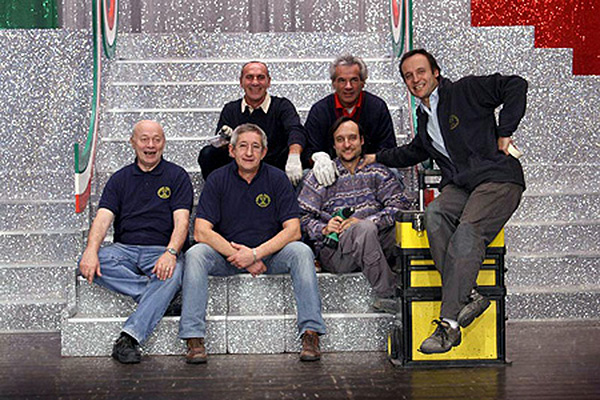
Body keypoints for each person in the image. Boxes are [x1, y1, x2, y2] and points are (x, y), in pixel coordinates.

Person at [361, 49, 527, 354]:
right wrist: (376, 157)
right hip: (462, 185)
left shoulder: (466, 90)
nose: (415, 79)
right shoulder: (424, 117)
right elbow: (414, 151)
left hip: (497, 178)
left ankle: (449, 325)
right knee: (434, 214)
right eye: (408, 76)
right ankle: (470, 294)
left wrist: (505, 131)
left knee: (467, 232)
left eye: (420, 71)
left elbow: (516, 84)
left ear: (435, 72)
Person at [179, 123, 326, 364]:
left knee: (301, 251)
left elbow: (293, 230)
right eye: (243, 146)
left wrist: (256, 254)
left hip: (270, 256)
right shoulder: (217, 179)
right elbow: (202, 231)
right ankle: (193, 336)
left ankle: (311, 333)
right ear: (231, 150)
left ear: (264, 152)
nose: (249, 153)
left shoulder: (277, 179)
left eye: (255, 147)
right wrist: (243, 258)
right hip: (227, 256)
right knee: (196, 254)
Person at [78, 120, 193, 363]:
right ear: (133, 142)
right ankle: (159, 296)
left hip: (161, 250)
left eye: (156, 140)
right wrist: (90, 250)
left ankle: (128, 338)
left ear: (163, 143)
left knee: (174, 272)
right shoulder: (119, 179)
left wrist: (171, 253)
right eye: (144, 139)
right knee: (93, 261)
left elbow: (182, 222)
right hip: (125, 249)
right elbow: (103, 218)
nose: (150, 145)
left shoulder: (177, 176)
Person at [298, 117, 411, 313]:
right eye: (340, 140)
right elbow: (300, 217)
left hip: (375, 240)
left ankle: (423, 288)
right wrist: (323, 228)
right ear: (334, 145)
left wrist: (368, 221)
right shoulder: (320, 176)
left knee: (402, 230)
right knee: (364, 229)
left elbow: (400, 206)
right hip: (337, 252)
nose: (347, 144)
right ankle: (388, 294)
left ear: (362, 140)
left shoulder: (378, 172)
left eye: (352, 138)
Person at [197, 61, 306, 185]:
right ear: (241, 82)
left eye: (260, 77)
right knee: (208, 154)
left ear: (269, 82)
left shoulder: (282, 106)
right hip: (239, 168)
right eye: (249, 77)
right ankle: (218, 192)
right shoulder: (230, 109)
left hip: (273, 169)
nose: (255, 82)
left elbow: (295, 130)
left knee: (299, 150)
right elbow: (219, 146)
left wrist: (294, 155)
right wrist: (226, 139)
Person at [303, 54, 397, 186]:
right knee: (305, 175)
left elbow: (388, 148)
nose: (348, 86)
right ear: (333, 83)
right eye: (342, 80)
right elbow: (309, 151)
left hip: (370, 171)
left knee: (394, 173)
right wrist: (319, 158)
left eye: (354, 80)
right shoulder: (319, 111)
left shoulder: (377, 107)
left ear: (363, 82)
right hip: (331, 176)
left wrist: (365, 164)